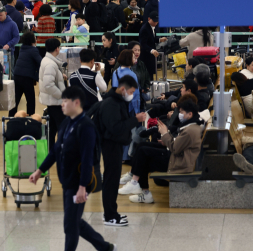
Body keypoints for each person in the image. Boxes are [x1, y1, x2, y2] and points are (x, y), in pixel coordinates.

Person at [29, 87, 117, 251]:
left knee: (70, 225)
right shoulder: (67, 123)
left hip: (78, 183)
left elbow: (87, 159)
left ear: (76, 103)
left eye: (64, 101)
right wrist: (40, 171)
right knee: (74, 221)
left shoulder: (86, 127)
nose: (61, 105)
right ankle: (105, 247)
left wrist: (83, 187)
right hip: (67, 180)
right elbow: (56, 150)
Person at [120, 101, 203, 203]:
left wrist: (165, 134)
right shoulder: (191, 126)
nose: (180, 115)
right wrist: (166, 139)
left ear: (190, 114)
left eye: (182, 112)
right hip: (177, 157)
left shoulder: (190, 130)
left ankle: (137, 184)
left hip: (178, 162)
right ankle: (138, 185)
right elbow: (179, 144)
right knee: (142, 147)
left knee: (143, 153)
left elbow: (175, 148)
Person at [95, 75, 145, 226]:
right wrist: (135, 120)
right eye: (130, 92)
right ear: (123, 89)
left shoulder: (117, 101)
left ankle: (111, 212)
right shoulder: (111, 104)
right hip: (110, 145)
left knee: (113, 179)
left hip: (114, 144)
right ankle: (110, 215)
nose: (131, 95)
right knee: (111, 180)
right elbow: (116, 128)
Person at [39, 38, 67, 152]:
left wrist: (60, 75)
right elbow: (48, 85)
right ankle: (61, 151)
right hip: (56, 102)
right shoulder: (50, 64)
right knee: (61, 128)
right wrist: (62, 95)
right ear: (57, 48)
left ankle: (51, 152)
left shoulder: (49, 61)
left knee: (52, 129)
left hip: (53, 102)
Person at [10, 32, 42, 117]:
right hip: (26, 78)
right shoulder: (33, 50)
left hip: (17, 75)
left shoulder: (22, 48)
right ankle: (31, 119)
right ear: (32, 40)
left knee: (15, 100)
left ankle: (10, 119)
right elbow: (41, 62)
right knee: (30, 100)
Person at [139, 11, 167, 76]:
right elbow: (143, 44)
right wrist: (151, 50)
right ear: (149, 19)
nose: (156, 23)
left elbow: (151, 39)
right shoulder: (144, 29)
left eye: (157, 21)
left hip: (151, 55)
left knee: (151, 75)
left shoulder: (152, 27)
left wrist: (160, 39)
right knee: (147, 75)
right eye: (154, 21)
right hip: (146, 56)